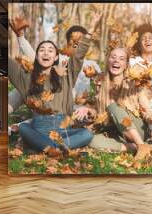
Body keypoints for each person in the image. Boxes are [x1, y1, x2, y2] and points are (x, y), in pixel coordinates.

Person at [8, 12, 103, 153]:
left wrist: (89, 33)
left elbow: (78, 56)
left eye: (50, 50)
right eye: (42, 50)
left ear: (56, 56)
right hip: (39, 127)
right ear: (37, 56)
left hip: (63, 128)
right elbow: (9, 64)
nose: (46, 53)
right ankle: (54, 147)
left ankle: (46, 147)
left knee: (87, 134)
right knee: (23, 128)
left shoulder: (65, 75)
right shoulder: (27, 79)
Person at [77, 47, 152, 160]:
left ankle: (141, 144)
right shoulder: (100, 82)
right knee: (92, 140)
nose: (116, 60)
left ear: (126, 64)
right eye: (113, 57)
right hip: (115, 130)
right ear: (108, 60)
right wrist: (88, 110)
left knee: (113, 107)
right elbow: (99, 111)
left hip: (138, 129)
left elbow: (147, 110)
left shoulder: (135, 84)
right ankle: (138, 148)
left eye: (121, 59)